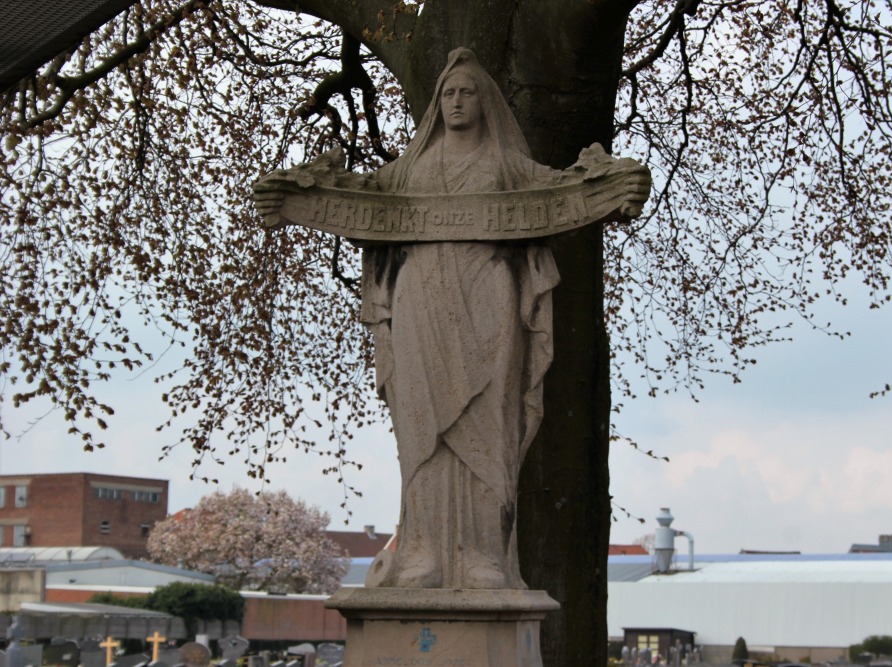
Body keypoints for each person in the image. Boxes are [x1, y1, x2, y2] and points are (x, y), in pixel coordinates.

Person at [254, 47, 649, 589]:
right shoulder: (410, 169)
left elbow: (563, 192)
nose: (457, 102)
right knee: (422, 429)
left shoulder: (507, 165)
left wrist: (618, 186)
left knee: (490, 422)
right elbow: (354, 197)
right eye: (448, 94)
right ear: (437, 103)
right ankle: (423, 554)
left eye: (466, 92)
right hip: (420, 301)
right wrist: (288, 197)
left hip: (490, 295)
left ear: (484, 102)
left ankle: (482, 556)